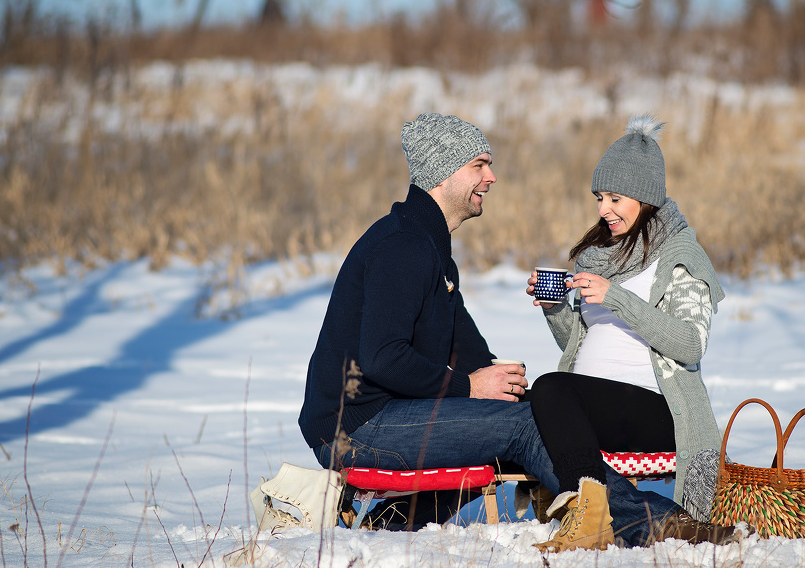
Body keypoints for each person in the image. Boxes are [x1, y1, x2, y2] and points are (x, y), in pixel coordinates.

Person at [299, 112, 733, 549]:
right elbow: (383, 357)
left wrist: (499, 381)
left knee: (523, 413)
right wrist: (470, 386)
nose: (491, 176)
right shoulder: (404, 246)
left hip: (380, 416)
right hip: (354, 427)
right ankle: (658, 525)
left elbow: (462, 347)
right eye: (479, 165)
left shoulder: (428, 246)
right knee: (526, 425)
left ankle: (391, 522)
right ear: (443, 173)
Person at [525, 115, 732, 552]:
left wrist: (617, 298)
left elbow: (690, 343)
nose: (603, 209)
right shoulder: (600, 256)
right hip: (599, 404)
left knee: (551, 389)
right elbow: (577, 344)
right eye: (599, 197)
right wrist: (555, 307)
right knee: (532, 399)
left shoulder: (680, 255)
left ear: (646, 199)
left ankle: (588, 509)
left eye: (615, 198)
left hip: (656, 406)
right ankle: (590, 504)